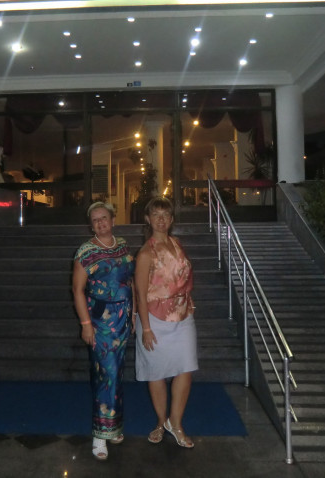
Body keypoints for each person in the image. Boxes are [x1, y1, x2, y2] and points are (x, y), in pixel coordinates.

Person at [72, 201, 136, 461]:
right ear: (91, 225)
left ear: (113, 220)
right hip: (101, 320)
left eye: (104, 218)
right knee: (106, 374)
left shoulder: (122, 245)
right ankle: (100, 435)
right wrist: (86, 324)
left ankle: (113, 427)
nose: (100, 223)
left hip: (122, 318)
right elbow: (77, 290)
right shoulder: (86, 252)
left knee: (116, 373)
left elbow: (129, 281)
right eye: (95, 220)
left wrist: (133, 313)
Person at [135, 196, 198, 449]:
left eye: (165, 215)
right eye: (156, 215)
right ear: (148, 219)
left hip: (183, 315)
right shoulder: (145, 253)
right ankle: (161, 422)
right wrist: (146, 328)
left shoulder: (176, 243)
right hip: (155, 318)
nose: (161, 220)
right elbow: (140, 293)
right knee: (156, 372)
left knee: (186, 368)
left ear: (171, 219)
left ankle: (176, 422)